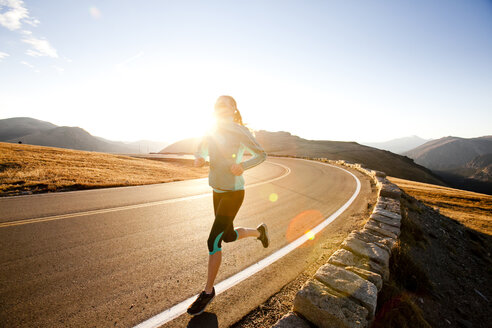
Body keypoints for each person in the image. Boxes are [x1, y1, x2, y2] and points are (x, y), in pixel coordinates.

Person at [187, 95, 269, 316]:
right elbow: (201, 149)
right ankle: (259, 232)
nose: (221, 106)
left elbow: (262, 155)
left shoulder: (240, 131)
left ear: (234, 109)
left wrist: (243, 165)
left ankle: (208, 291)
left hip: (234, 193)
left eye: (226, 104)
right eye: (217, 104)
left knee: (213, 240)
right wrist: (199, 158)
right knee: (229, 235)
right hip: (217, 191)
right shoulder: (211, 129)